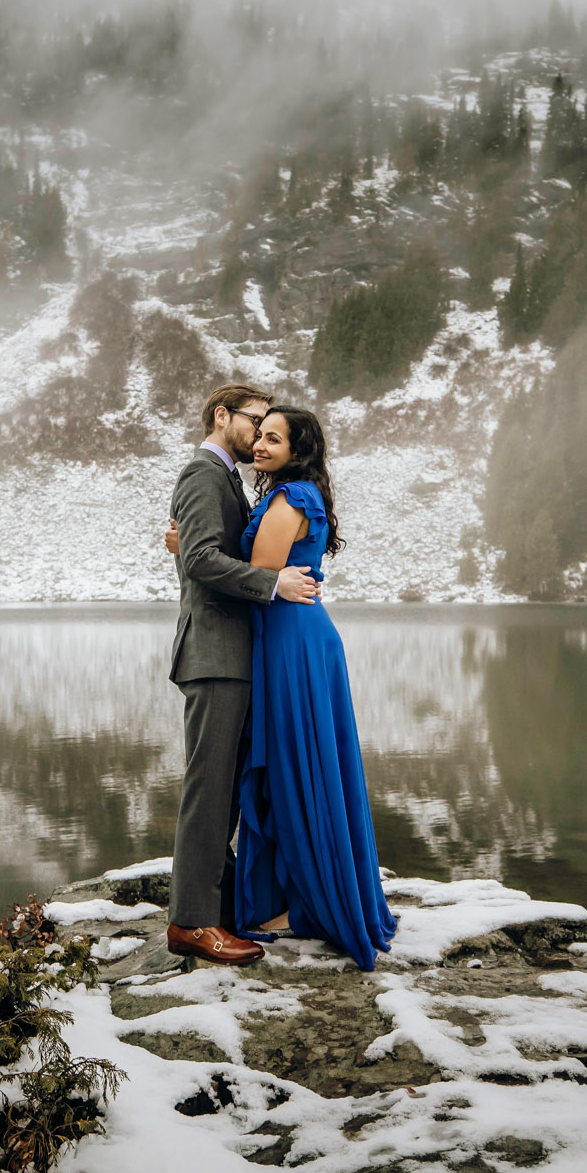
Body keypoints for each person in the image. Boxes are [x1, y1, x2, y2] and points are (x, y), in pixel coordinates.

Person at [231, 406, 396, 969]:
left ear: (297, 450)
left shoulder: (292, 497)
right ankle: (299, 895)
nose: (260, 444)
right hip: (295, 636)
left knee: (296, 768)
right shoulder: (293, 494)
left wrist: (193, 555)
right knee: (298, 767)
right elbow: (267, 574)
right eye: (259, 435)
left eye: (273, 438)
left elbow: (256, 574)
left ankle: (308, 905)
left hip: (292, 644)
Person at [164, 384, 321, 966]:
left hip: (233, 653)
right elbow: (205, 560)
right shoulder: (204, 474)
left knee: (225, 790)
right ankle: (192, 923)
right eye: (254, 421)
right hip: (215, 655)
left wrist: (186, 549)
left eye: (267, 426)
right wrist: (271, 583)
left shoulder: (227, 478)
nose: (259, 433)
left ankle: (217, 907)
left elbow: (203, 551)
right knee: (208, 791)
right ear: (220, 415)